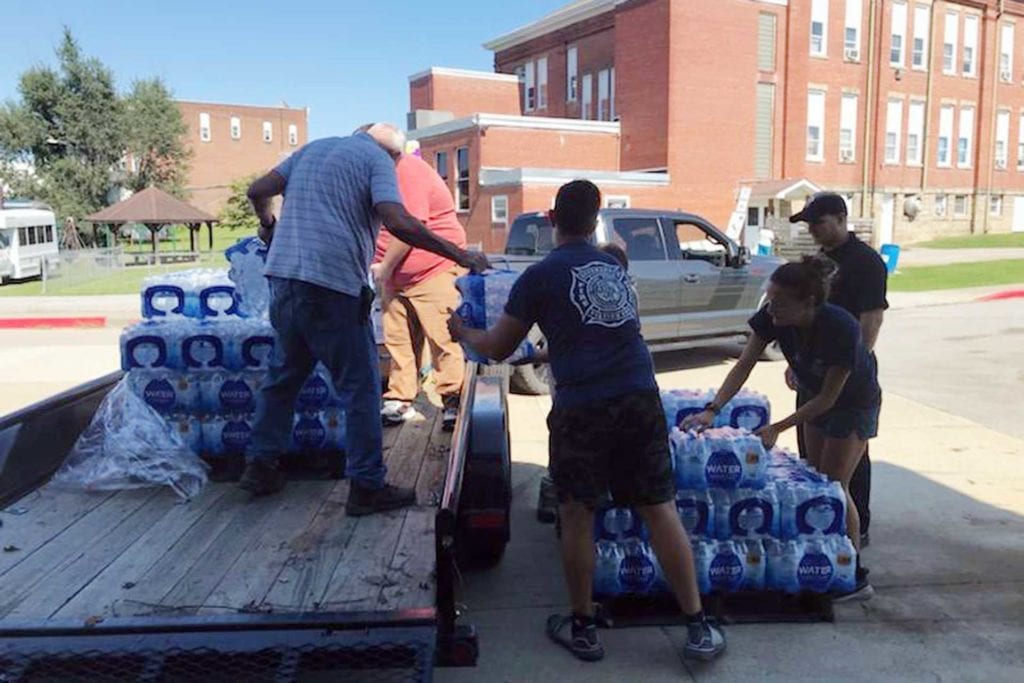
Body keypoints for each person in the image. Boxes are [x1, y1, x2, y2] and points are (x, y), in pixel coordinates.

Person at [449, 180, 726, 664]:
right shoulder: (615, 267)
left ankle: (582, 627)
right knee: (659, 508)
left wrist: (460, 330)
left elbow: (493, 346)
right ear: (596, 219)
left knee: (578, 514)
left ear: (552, 221)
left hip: (584, 406)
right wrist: (544, 351)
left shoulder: (540, 275)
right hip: (638, 396)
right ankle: (697, 625)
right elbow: (603, 333)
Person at [242, 123, 489, 515]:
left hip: (284, 280)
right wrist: (459, 255)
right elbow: (399, 221)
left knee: (283, 378)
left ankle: (261, 467)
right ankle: (367, 486)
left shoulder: (311, 149)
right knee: (360, 388)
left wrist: (268, 223)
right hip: (332, 286)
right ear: (392, 155)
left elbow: (257, 191)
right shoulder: (376, 160)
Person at [683, 256, 879, 601]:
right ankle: (824, 558)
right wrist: (713, 409)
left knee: (834, 485)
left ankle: (854, 575)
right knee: (816, 479)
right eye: (770, 299)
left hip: (852, 402)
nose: (771, 309)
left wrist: (777, 428)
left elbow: (831, 398)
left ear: (810, 303)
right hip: (812, 393)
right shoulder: (774, 317)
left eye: (780, 303)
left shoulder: (840, 327)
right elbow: (743, 364)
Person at [789, 192, 888, 548]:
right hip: (813, 371)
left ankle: (855, 530)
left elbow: (871, 320)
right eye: (809, 224)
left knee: (847, 461)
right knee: (813, 458)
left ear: (841, 219)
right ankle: (822, 525)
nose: (812, 230)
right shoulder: (820, 261)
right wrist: (798, 364)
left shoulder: (866, 262)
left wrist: (848, 367)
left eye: (818, 222)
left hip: (848, 373)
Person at [372, 144, 467, 432]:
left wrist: (385, 267)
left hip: (433, 269)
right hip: (394, 278)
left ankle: (452, 400)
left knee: (444, 339)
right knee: (398, 341)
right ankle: (400, 398)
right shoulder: (378, 176)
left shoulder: (407, 171)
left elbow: (409, 225)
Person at [534, 241, 630, 523]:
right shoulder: (603, 294)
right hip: (574, 387)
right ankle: (562, 495)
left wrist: (529, 356)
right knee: (564, 433)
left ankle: (571, 498)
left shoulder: (614, 296)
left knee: (574, 441)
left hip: (583, 392)